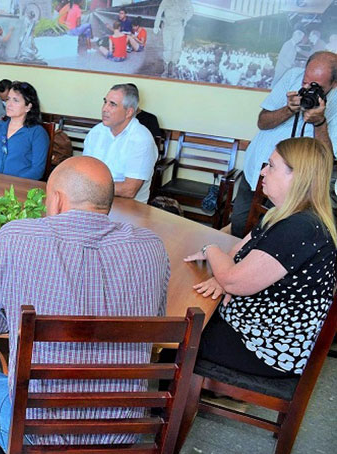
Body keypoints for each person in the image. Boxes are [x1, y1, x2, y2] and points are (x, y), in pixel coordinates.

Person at [0, 156, 169, 454]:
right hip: (123, 449)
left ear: (56, 200)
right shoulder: (152, 247)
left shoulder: (16, 237)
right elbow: (155, 323)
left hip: (44, 447)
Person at [185, 137, 336, 378]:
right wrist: (222, 278)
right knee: (191, 315)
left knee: (180, 337)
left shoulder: (302, 227)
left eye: (271, 166)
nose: (263, 172)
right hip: (254, 324)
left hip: (268, 346)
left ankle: (169, 409)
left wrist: (210, 250)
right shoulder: (282, 213)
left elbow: (234, 279)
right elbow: (237, 252)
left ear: (297, 176)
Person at [230, 51, 337, 237]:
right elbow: (262, 122)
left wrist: (319, 122)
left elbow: (328, 159)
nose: (307, 87)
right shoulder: (291, 77)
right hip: (257, 170)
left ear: (334, 84)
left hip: (295, 186)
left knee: (274, 236)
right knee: (239, 225)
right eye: (305, 81)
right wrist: (289, 109)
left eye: (316, 85)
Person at [82, 84, 158, 203]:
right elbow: (84, 172)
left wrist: (90, 187)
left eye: (112, 104)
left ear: (128, 112)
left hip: (128, 208)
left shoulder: (141, 139)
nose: (104, 109)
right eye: (105, 102)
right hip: (94, 200)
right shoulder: (96, 132)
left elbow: (129, 190)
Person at [0, 81, 49, 180]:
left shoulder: (37, 133)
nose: (9, 104)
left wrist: (13, 185)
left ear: (28, 106)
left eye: (15, 100)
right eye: (8, 99)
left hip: (19, 189)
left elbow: (37, 170)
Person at [153, 0, 194, 78]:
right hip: (167, 27)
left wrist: (185, 18)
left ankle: (172, 70)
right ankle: (166, 69)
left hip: (179, 27)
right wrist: (156, 25)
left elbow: (191, 11)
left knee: (177, 49)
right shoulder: (165, 1)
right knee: (167, 48)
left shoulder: (186, 1)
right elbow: (159, 12)